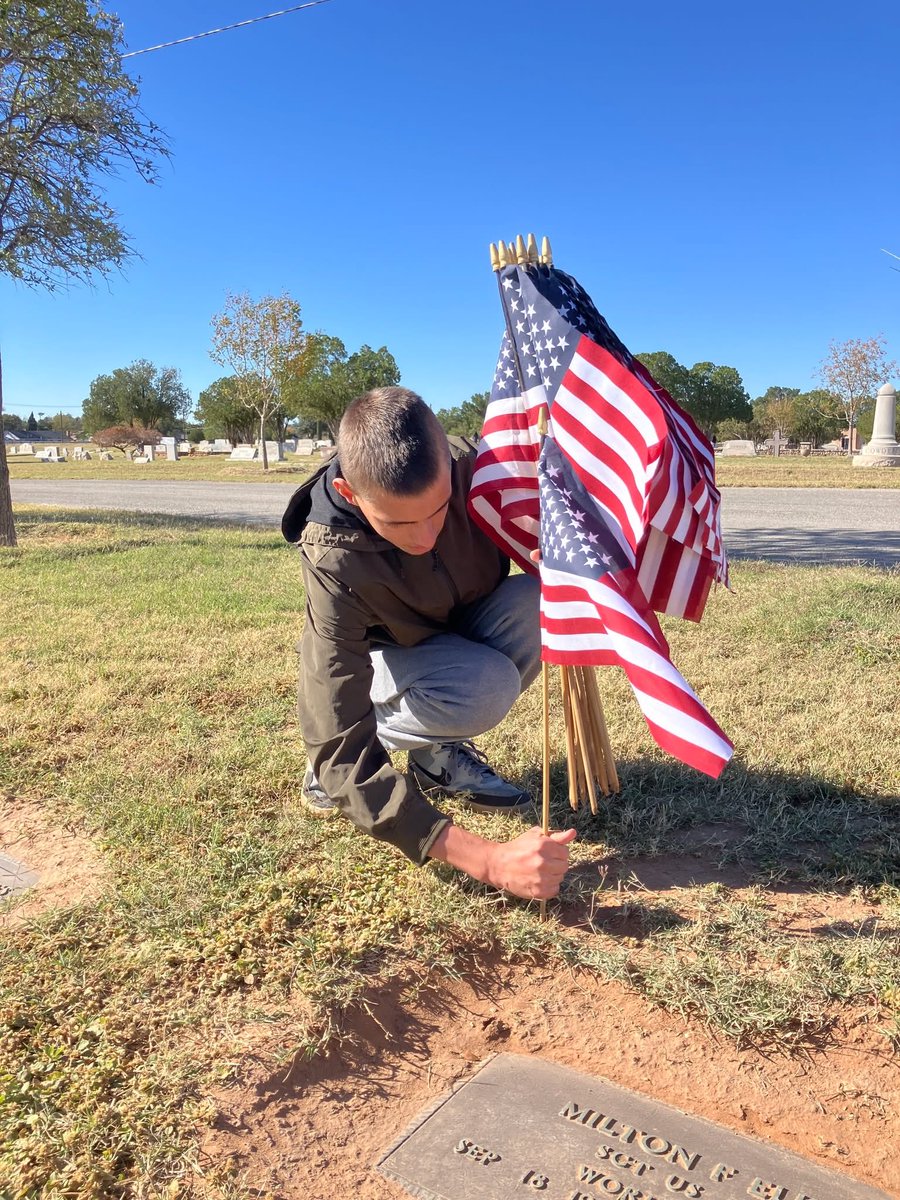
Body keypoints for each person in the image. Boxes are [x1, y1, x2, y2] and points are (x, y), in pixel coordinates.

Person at [282, 386, 575, 900]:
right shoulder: (335, 556)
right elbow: (335, 733)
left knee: (541, 602)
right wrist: (488, 861)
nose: (425, 537)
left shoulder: (481, 466)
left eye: (439, 510)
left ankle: (432, 747)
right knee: (484, 689)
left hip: (458, 626)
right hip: (392, 658)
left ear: (451, 469)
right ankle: (351, 765)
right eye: (398, 522)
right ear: (352, 494)